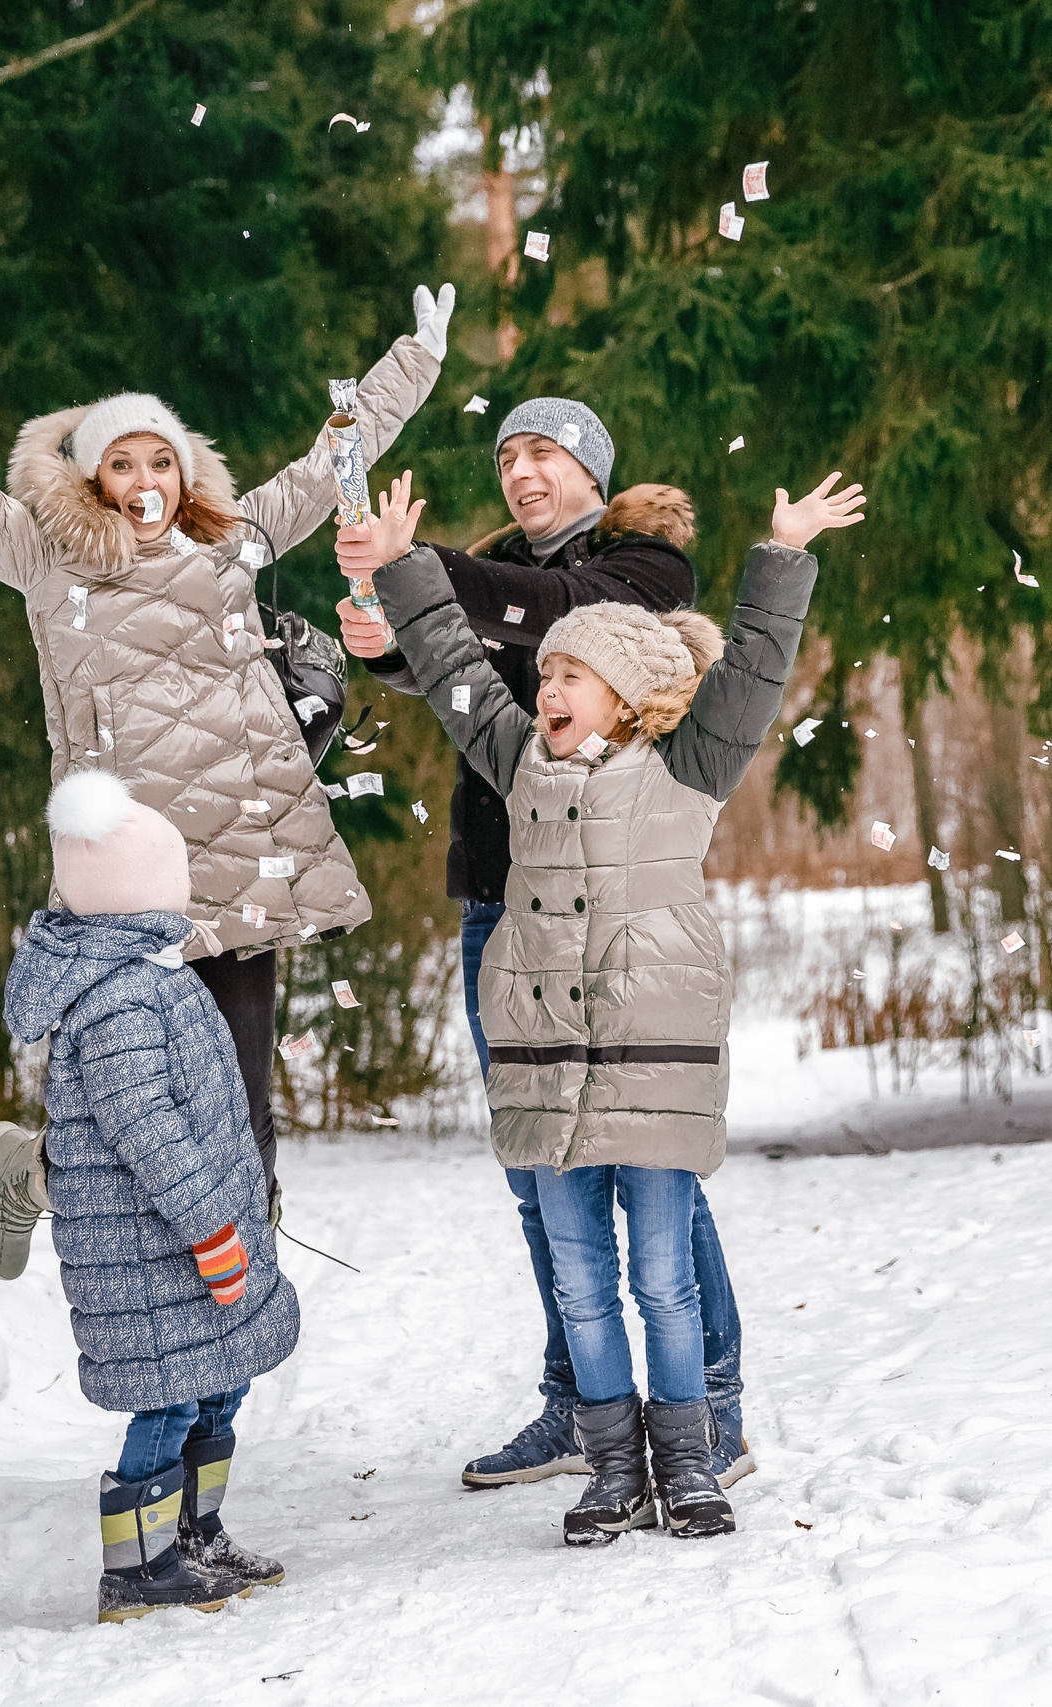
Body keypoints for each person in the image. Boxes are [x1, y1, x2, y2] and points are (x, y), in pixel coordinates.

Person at [0, 242, 451, 1275]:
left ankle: (233, 1333)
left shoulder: (233, 543)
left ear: (185, 472)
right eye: (121, 463)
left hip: (241, 871)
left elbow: (328, 461)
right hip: (125, 889)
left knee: (239, 1113)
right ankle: (31, 1178)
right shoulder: (41, 559)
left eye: (160, 460)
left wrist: (416, 362)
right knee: (122, 1115)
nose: (143, 481)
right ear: (90, 478)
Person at [353, 463, 865, 1544]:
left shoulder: (688, 770)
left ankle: (690, 1463)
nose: (544, 690)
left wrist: (783, 556)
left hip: (655, 1062)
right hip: (546, 1064)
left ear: (628, 694)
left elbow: (757, 673)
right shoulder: (519, 768)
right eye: (543, 676)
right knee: (581, 1282)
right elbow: (452, 673)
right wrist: (402, 569)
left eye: (571, 673)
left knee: (664, 1280)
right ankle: (609, 1469)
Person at [333, 401, 757, 1492]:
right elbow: (475, 689)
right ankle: (578, 1406)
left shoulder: (645, 569)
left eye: (544, 453)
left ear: (591, 471)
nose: (521, 470)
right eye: (507, 455)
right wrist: (391, 644)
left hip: (619, 917)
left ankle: (712, 1411)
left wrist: (419, 571)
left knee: (654, 1164)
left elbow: (560, 615)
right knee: (540, 1172)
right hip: (505, 908)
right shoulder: (488, 572)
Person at [3, 769, 300, 1622]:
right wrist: (213, 1227)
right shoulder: (118, 1001)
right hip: (156, 1249)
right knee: (169, 1397)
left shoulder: (151, 973)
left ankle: (194, 1532)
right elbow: (151, 1133)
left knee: (219, 1378)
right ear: (138, 896)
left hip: (182, 1242)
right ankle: (138, 1567)